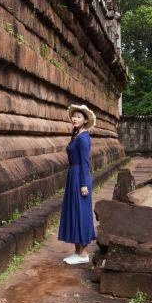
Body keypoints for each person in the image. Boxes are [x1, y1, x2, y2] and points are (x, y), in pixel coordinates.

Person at [59, 104, 96, 265]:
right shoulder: (76, 135)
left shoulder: (83, 138)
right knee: (74, 211)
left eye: (79, 116)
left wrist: (83, 184)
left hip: (80, 178)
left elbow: (85, 163)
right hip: (73, 176)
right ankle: (77, 251)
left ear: (85, 120)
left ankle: (83, 253)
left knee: (80, 212)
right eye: (74, 116)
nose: (75, 118)